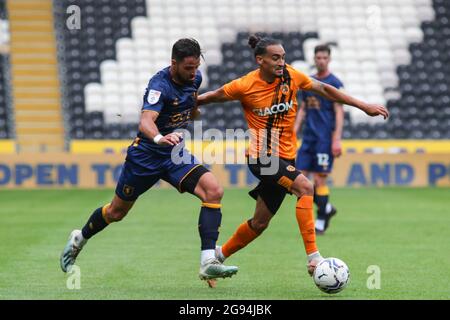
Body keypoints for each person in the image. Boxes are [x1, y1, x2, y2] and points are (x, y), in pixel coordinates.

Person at [197, 35, 388, 282]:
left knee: (259, 223)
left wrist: (363, 106)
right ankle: (314, 257)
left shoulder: (291, 75)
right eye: (275, 58)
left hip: (286, 158)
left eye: (283, 57)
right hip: (261, 157)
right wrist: (186, 106)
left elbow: (324, 89)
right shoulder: (244, 85)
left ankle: (216, 259)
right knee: (305, 187)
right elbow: (210, 96)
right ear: (260, 60)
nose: (281, 62)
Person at [60, 38, 238, 283]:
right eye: (188, 67)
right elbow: (145, 121)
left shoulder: (194, 79)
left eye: (196, 66)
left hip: (173, 154)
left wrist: (192, 112)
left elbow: (192, 104)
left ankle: (208, 261)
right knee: (116, 212)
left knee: (213, 191)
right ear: (173, 63)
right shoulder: (159, 85)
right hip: (146, 156)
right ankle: (79, 238)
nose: (193, 72)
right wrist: (158, 138)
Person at [294, 44, 344, 235]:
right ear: (314, 59)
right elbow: (304, 109)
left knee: (320, 180)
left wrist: (336, 139)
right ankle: (327, 208)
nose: (321, 60)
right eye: (318, 57)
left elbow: (339, 113)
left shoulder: (335, 83)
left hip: (325, 139)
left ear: (329, 59)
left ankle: (321, 218)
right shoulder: (309, 82)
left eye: (324, 57)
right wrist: (294, 131)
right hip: (308, 138)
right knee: (298, 180)